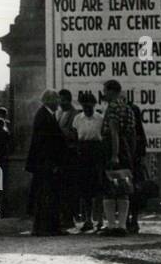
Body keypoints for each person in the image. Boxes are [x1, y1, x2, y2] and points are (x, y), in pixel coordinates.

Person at [99, 79, 138, 236]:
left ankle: (112, 225)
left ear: (112, 91)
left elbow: (114, 132)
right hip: (126, 149)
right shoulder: (127, 108)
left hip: (113, 148)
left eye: (105, 91)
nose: (104, 94)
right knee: (123, 187)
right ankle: (121, 225)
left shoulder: (113, 107)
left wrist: (114, 154)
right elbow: (132, 133)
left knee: (110, 186)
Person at [25, 89, 65, 236]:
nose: (58, 103)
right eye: (56, 100)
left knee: (46, 194)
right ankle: (43, 227)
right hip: (46, 163)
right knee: (45, 194)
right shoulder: (44, 116)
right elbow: (46, 143)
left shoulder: (45, 114)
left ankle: (48, 227)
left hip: (44, 162)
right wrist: (53, 163)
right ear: (49, 100)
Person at [73, 91, 106, 232]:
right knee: (85, 189)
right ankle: (87, 220)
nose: (87, 108)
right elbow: (75, 136)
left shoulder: (100, 118)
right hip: (83, 153)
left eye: (90, 106)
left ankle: (99, 220)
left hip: (97, 153)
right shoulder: (77, 119)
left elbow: (104, 136)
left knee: (98, 188)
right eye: (84, 106)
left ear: (94, 105)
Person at [55, 89, 81, 232]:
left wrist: (60, 132)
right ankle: (63, 217)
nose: (61, 103)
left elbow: (75, 133)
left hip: (70, 154)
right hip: (60, 154)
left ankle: (69, 218)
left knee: (70, 188)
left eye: (64, 100)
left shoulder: (75, 114)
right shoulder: (58, 113)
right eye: (60, 100)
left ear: (69, 100)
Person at [126, 100, 150, 234]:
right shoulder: (138, 134)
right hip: (133, 166)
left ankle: (131, 220)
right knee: (133, 193)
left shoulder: (135, 134)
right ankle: (132, 220)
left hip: (132, 165)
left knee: (132, 193)